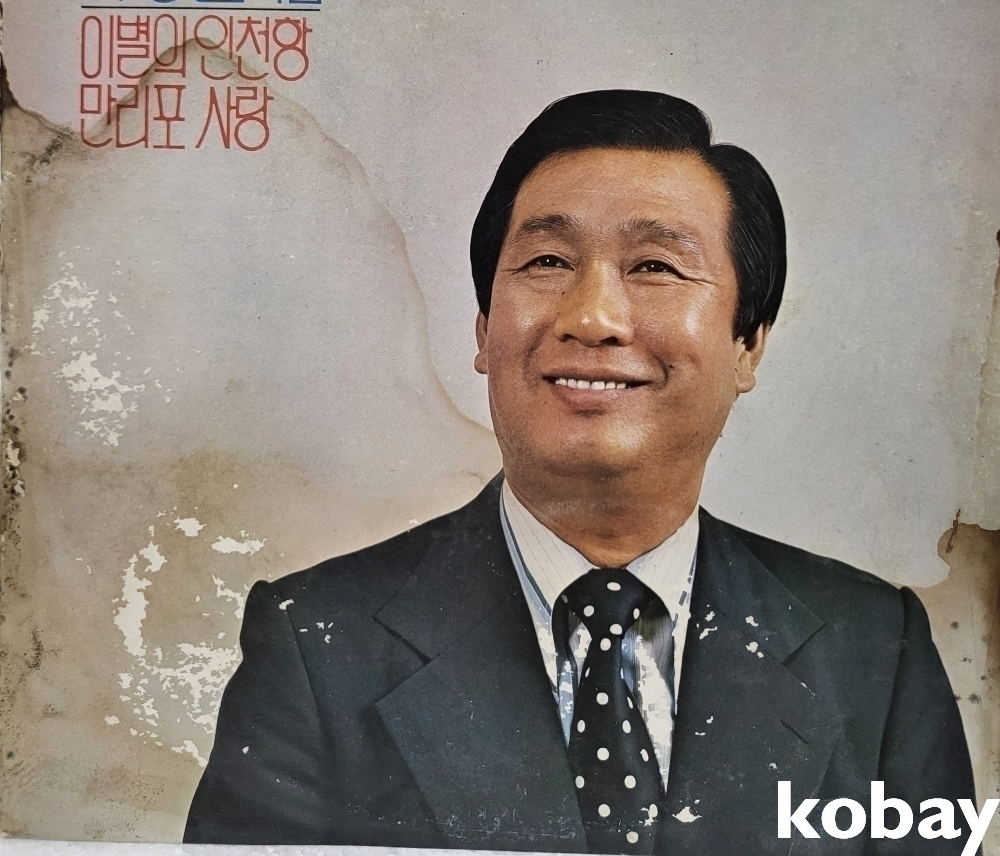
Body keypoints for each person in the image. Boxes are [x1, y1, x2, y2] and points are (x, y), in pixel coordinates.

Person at [184, 90, 974, 854]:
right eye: (548, 260)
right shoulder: (317, 644)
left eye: (655, 265)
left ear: (748, 343)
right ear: (484, 330)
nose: (592, 316)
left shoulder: (875, 648)